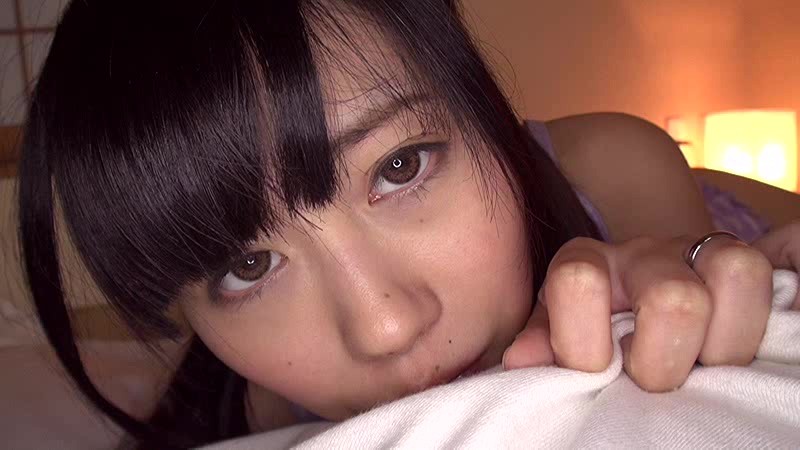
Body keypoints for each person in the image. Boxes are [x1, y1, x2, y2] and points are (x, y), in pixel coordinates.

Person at [15, 0, 798, 448]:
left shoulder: (616, 161)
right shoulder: (243, 410)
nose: (386, 328)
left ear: (480, 106)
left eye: (399, 166)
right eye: (247, 268)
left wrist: (696, 273)